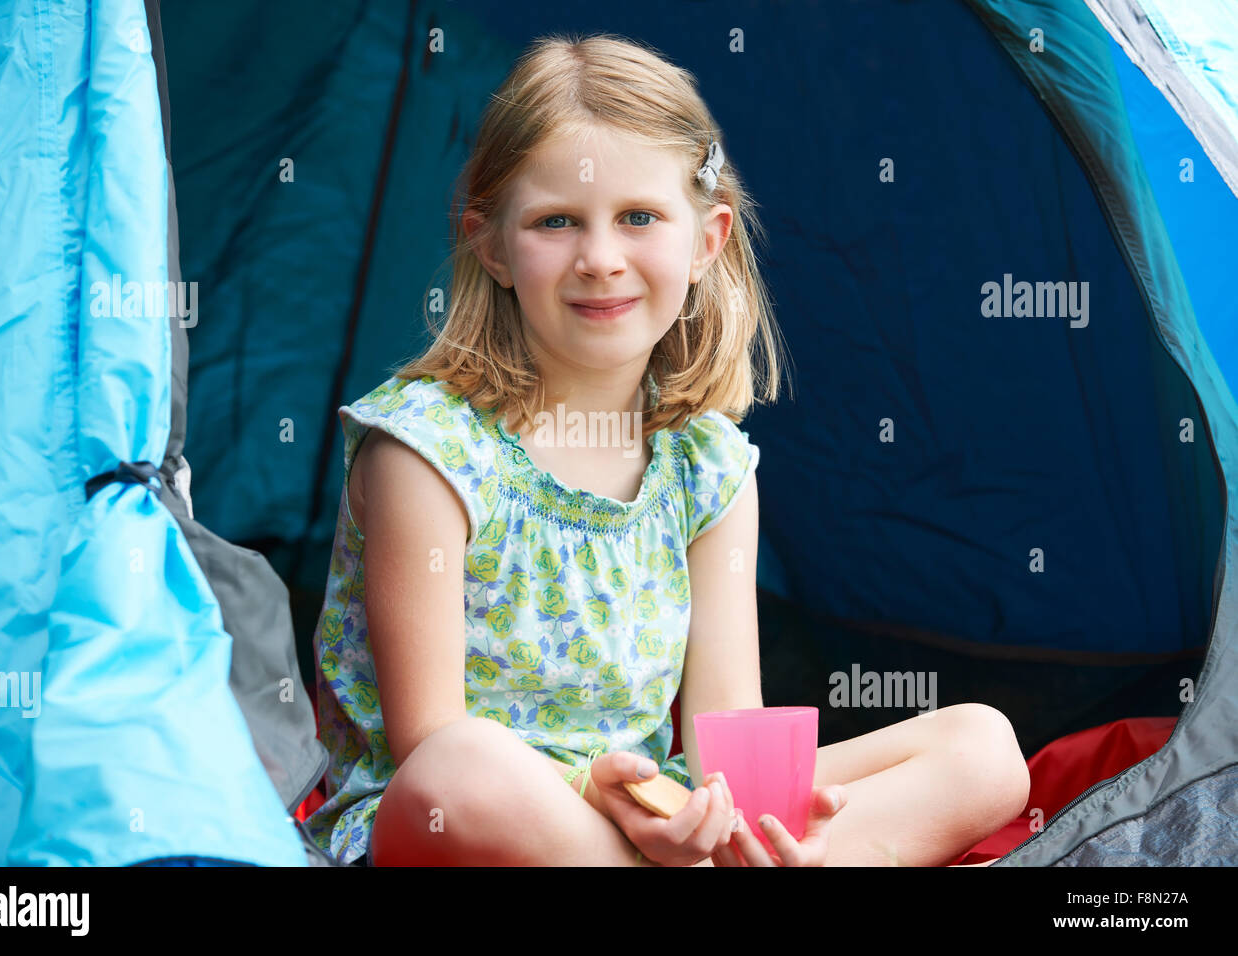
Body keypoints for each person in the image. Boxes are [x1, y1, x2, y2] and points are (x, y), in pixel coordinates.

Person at [304, 32, 1030, 867]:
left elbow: (731, 733)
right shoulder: (428, 450)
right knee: (460, 771)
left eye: (639, 218)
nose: (601, 259)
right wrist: (590, 794)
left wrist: (761, 824)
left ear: (707, 240)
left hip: (656, 812)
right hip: (472, 824)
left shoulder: (706, 467)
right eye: (556, 222)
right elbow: (427, 739)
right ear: (493, 246)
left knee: (984, 747)